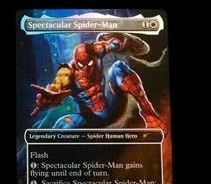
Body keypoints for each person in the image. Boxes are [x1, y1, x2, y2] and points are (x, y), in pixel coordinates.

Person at [30, 33, 168, 136]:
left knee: (118, 67)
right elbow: (57, 85)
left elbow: (116, 44)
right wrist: (49, 97)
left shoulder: (97, 51)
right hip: (90, 119)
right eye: (81, 65)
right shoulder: (67, 73)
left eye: (89, 64)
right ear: (75, 62)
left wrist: (122, 41)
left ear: (94, 56)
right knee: (62, 124)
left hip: (112, 107)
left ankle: (149, 113)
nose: (86, 69)